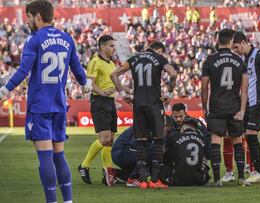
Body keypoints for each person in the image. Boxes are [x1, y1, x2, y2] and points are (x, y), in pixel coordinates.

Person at [0, 1, 92, 202]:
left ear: (38, 16)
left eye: (30, 17)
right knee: (59, 155)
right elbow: (77, 69)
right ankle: (67, 201)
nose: (28, 21)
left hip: (40, 106)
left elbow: (24, 70)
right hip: (59, 105)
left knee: (45, 157)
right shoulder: (67, 38)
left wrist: (5, 89)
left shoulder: (34, 39)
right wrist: (85, 84)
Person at [110, 41, 177, 189]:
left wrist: (122, 94)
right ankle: (154, 180)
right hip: (154, 104)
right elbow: (173, 73)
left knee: (141, 141)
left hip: (138, 104)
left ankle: (141, 181)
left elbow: (113, 74)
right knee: (159, 140)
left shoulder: (134, 58)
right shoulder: (159, 58)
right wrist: (170, 93)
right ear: (158, 50)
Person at [201, 28, 249, 187]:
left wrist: (204, 107)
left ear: (218, 40)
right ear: (230, 41)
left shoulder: (209, 60)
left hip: (217, 107)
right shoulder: (240, 60)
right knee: (237, 141)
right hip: (234, 106)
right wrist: (242, 110)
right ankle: (241, 178)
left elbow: (204, 87)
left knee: (216, 141)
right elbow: (244, 88)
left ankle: (217, 179)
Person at [232, 31, 260, 183]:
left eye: (236, 47)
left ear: (244, 42)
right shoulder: (244, 59)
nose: (235, 50)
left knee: (250, 134)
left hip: (258, 102)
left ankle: (258, 172)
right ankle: (252, 168)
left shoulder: (259, 55)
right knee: (245, 135)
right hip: (248, 103)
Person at [78, 35, 118, 187]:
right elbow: (90, 84)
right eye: (110, 46)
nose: (113, 48)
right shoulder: (94, 62)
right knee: (104, 139)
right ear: (102, 47)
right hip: (100, 101)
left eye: (114, 46)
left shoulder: (112, 64)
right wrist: (103, 93)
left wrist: (125, 92)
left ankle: (107, 173)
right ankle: (84, 165)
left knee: (110, 141)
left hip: (111, 101)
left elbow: (114, 83)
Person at [162, 117, 211, 186]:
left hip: (177, 180)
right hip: (199, 180)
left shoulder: (174, 136)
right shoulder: (202, 138)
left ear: (183, 128)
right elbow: (208, 156)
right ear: (195, 129)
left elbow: (164, 151)